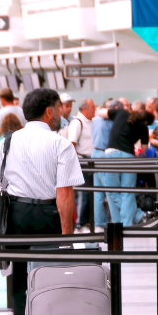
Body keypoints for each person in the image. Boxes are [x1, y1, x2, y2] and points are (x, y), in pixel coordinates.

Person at [0, 88, 84, 315]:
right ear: (49, 111)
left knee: (18, 291)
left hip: (14, 217)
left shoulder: (6, 143)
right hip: (47, 217)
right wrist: (67, 240)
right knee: (51, 285)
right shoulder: (60, 144)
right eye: (59, 108)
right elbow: (64, 195)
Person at [103, 105, 151, 226]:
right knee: (128, 191)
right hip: (128, 157)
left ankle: (116, 224)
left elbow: (101, 112)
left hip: (111, 153)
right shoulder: (143, 126)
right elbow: (145, 150)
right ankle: (128, 222)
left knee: (112, 191)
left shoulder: (121, 113)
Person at [67, 98, 95, 231]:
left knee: (90, 194)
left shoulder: (90, 122)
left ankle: (86, 220)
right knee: (82, 195)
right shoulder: (77, 122)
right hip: (81, 162)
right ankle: (79, 222)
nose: (95, 109)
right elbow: (71, 143)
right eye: (92, 107)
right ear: (85, 109)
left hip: (90, 161)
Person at [91, 100, 115, 232]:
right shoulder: (110, 122)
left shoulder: (95, 120)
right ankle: (116, 222)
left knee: (97, 193)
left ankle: (99, 223)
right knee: (110, 191)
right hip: (105, 155)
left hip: (95, 154)